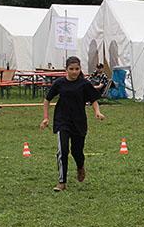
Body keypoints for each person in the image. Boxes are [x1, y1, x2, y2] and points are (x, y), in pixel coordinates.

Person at [39, 56, 105, 192]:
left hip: (79, 121)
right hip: (62, 121)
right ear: (66, 69)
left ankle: (80, 166)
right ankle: (62, 182)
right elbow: (47, 100)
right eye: (71, 69)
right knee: (62, 150)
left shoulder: (84, 84)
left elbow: (93, 100)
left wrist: (97, 112)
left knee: (77, 151)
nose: (74, 72)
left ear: (80, 69)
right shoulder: (59, 83)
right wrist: (46, 118)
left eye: (77, 69)